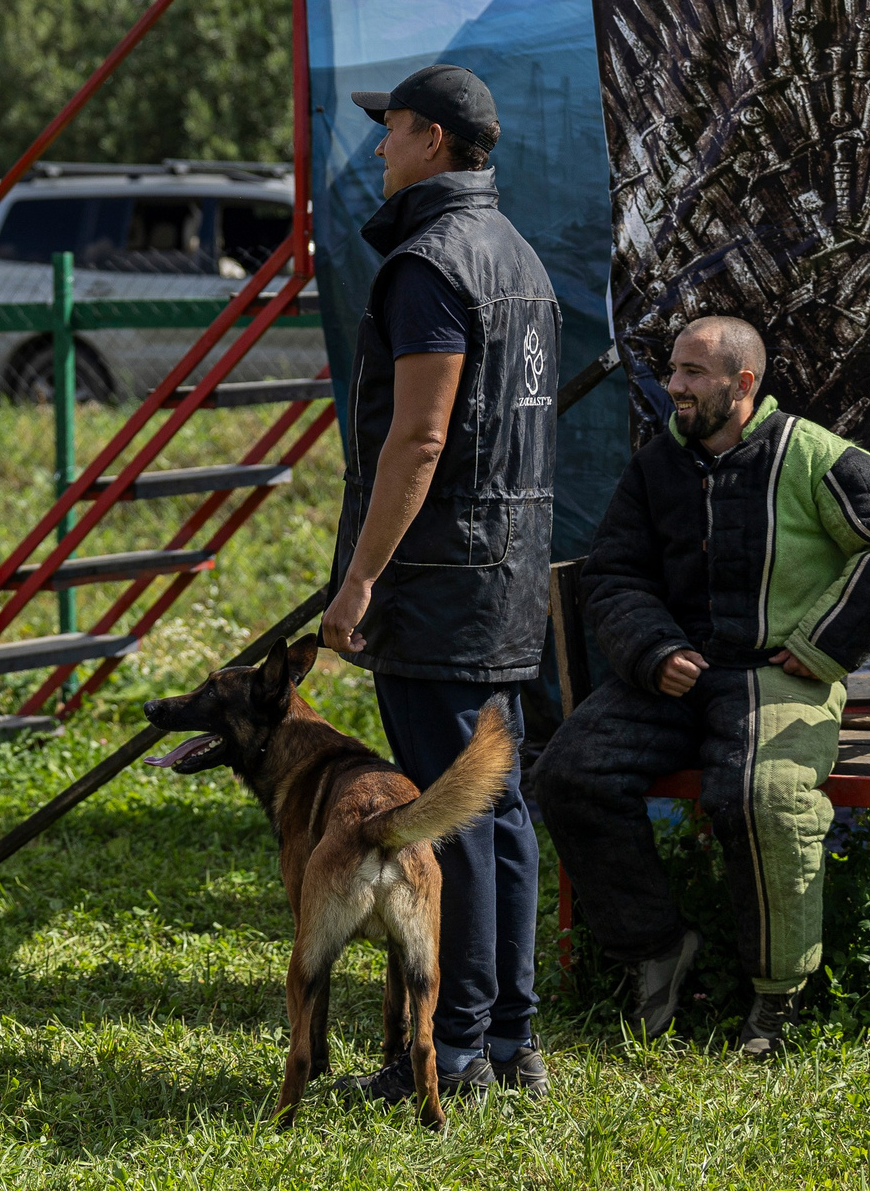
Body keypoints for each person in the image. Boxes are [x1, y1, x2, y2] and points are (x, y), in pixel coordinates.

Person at [529, 315, 870, 1057]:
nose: (673, 385)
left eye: (692, 372)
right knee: (567, 772)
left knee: (762, 798)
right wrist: (653, 649)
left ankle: (775, 1001)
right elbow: (615, 573)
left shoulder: (813, 455)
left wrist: (822, 644)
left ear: (743, 384)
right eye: (673, 370)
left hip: (776, 674)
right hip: (673, 676)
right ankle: (654, 948)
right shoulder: (657, 465)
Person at [319, 63, 558, 1100]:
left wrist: (359, 580)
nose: (378, 149)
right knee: (496, 811)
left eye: (391, 130)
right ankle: (512, 1043)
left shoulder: (427, 263)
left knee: (446, 819)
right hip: (507, 579)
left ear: (432, 140)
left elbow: (417, 441)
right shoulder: (517, 253)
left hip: (438, 582)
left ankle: (452, 1051)